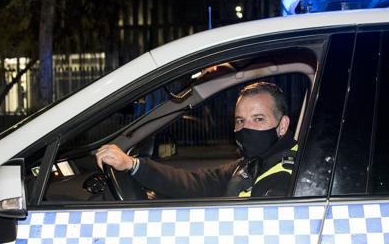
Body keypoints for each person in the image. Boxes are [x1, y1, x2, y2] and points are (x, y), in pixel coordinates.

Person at [95, 82, 298, 198]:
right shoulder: (254, 164)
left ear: (282, 125)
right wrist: (132, 164)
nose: (246, 128)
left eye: (259, 119)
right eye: (240, 121)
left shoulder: (287, 176)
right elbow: (197, 183)